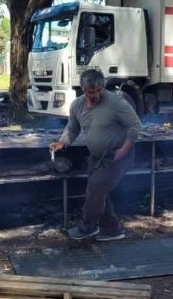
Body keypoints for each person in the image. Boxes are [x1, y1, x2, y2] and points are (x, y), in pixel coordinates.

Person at [49, 69, 142, 241]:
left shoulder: (116, 102)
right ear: (83, 89)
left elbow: (135, 126)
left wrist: (123, 151)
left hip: (118, 155)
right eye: (91, 92)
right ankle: (112, 230)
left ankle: (87, 227)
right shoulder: (77, 105)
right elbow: (73, 128)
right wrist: (62, 142)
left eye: (99, 90)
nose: (96, 95)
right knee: (97, 192)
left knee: (96, 189)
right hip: (96, 158)